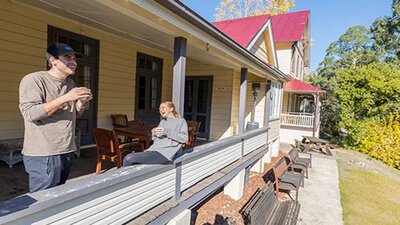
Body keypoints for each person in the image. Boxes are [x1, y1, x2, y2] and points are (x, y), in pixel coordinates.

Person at [19, 43, 93, 192]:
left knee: (57, 196)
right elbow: (30, 113)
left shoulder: (70, 83)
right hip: (44, 154)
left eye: (74, 59)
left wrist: (82, 102)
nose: (73, 62)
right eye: (67, 57)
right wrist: (66, 97)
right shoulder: (34, 80)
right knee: (43, 202)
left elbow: (75, 113)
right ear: (52, 60)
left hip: (66, 149)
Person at [123, 101, 188, 166]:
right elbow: (156, 140)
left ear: (171, 109)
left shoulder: (180, 121)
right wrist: (154, 133)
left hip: (165, 153)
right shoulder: (162, 122)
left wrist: (166, 132)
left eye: (163, 107)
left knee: (129, 158)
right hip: (155, 150)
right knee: (132, 161)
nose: (160, 110)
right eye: (159, 109)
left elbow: (184, 139)